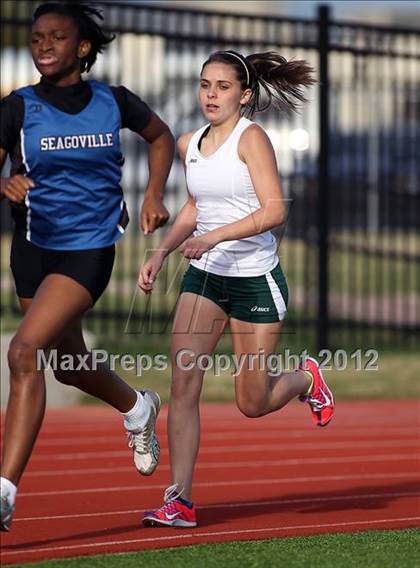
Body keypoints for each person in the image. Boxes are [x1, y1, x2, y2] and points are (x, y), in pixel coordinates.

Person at [138, 50, 334, 528]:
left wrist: (214, 238)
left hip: (254, 280)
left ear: (244, 96)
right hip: (204, 278)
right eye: (205, 84)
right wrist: (162, 253)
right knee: (183, 383)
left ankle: (306, 378)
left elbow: (274, 211)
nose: (211, 94)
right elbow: (193, 207)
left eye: (223, 87)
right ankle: (180, 499)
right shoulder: (190, 143)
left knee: (251, 402)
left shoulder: (252, 139)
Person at [0, 2, 175, 532]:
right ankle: (137, 406)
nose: (43, 46)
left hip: (90, 248)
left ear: (82, 48)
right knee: (65, 363)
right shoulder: (17, 109)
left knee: (23, 352)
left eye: (55, 37)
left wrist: (152, 195)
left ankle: (4, 493)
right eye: (36, 39)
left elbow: (162, 137)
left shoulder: (113, 101)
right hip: (33, 249)